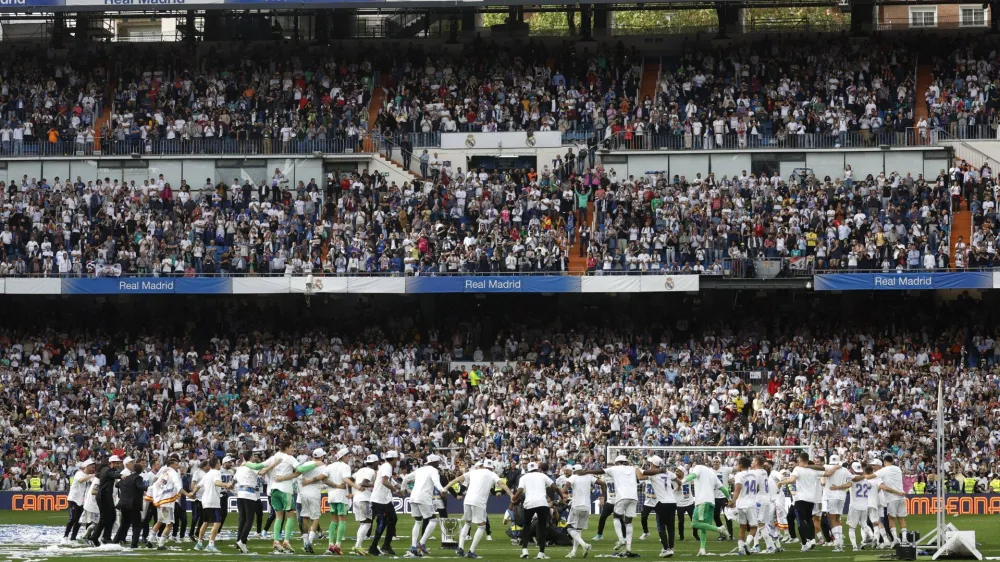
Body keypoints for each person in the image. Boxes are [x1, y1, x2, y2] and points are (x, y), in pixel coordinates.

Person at [582, 455, 647, 557]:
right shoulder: (633, 468)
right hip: (634, 497)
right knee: (628, 522)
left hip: (621, 497)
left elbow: (599, 471)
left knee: (616, 517)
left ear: (617, 462)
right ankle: (628, 548)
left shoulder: (614, 468)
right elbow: (644, 475)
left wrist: (586, 472)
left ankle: (621, 539)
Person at [446, 459, 513, 559]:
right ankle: (471, 551)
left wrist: (445, 487)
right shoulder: (492, 474)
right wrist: (511, 494)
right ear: (492, 468)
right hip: (479, 502)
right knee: (482, 526)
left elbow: (457, 479)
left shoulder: (474, 472)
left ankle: (460, 548)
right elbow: (502, 484)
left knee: (467, 523)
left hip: (467, 500)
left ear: (483, 465)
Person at [509, 461, 564, 560]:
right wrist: (561, 496)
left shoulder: (524, 477)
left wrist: (514, 498)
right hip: (542, 503)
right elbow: (554, 487)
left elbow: (520, 490)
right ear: (537, 468)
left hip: (529, 503)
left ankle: (525, 550)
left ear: (528, 469)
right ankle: (541, 553)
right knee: (542, 528)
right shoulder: (542, 476)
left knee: (526, 527)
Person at [777, 453, 826, 552]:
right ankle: (811, 539)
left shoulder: (798, 469)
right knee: (809, 520)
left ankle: (806, 541)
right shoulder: (814, 470)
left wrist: (781, 482)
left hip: (800, 499)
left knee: (800, 521)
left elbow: (792, 480)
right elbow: (825, 470)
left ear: (800, 459)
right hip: (811, 499)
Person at [682, 462, 731, 556]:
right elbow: (724, 489)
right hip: (711, 503)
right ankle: (702, 549)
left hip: (702, 502)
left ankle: (719, 529)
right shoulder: (713, 474)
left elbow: (692, 476)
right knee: (703, 526)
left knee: (695, 523)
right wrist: (729, 499)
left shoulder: (698, 467)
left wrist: (682, 481)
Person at [403, 454, 446, 557]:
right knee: (433, 520)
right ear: (433, 462)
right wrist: (442, 490)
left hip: (413, 497)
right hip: (424, 498)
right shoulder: (433, 470)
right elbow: (436, 481)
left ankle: (413, 547)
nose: (438, 464)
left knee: (418, 521)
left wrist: (402, 489)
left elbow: (406, 478)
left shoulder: (420, 470)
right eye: (437, 462)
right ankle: (421, 543)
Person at [321, 448, 357, 555]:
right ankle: (338, 545)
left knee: (333, 520)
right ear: (343, 456)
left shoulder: (330, 466)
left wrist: (334, 486)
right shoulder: (346, 467)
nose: (349, 457)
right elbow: (346, 480)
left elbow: (323, 479)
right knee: (342, 520)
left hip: (331, 496)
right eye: (348, 456)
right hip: (341, 496)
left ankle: (330, 544)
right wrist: (357, 487)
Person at [150, 455, 191, 551]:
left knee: (160, 521)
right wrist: (188, 494)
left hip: (160, 500)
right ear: (171, 464)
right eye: (176, 464)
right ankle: (160, 544)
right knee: (170, 523)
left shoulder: (164, 471)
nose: (178, 466)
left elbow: (155, 483)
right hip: (168, 501)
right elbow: (178, 487)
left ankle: (150, 541)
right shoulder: (173, 473)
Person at [193, 457, 234, 553]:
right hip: (213, 500)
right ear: (216, 464)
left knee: (206, 522)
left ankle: (199, 543)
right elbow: (217, 482)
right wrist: (226, 484)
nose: (220, 465)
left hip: (205, 500)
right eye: (219, 463)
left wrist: (193, 493)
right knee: (217, 523)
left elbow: (198, 486)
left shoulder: (207, 474)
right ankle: (211, 544)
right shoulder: (216, 473)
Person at [642, 456, 680, 558]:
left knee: (661, 526)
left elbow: (640, 476)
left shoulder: (653, 475)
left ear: (653, 465)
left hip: (662, 502)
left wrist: (637, 468)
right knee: (671, 527)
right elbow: (679, 481)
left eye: (650, 464)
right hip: (672, 502)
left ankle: (666, 549)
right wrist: (678, 488)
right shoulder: (668, 473)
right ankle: (671, 548)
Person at [560, 465, 600, 559]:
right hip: (586, 507)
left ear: (574, 471)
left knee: (570, 528)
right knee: (578, 530)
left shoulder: (573, 477)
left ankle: (585, 545)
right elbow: (602, 483)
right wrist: (603, 497)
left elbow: (565, 487)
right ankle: (573, 552)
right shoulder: (589, 477)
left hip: (576, 506)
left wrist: (560, 495)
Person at [295, 448, 329, 554]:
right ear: (321, 456)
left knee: (305, 517)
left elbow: (298, 476)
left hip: (303, 494)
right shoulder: (322, 466)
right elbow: (323, 476)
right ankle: (309, 541)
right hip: (314, 494)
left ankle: (305, 541)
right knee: (315, 518)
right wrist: (312, 480)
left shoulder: (306, 464)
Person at [369, 450, 401, 556]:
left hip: (384, 500)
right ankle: (373, 547)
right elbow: (384, 481)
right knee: (382, 523)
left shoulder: (385, 466)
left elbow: (390, 480)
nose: (397, 461)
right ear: (394, 459)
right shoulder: (387, 467)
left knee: (393, 519)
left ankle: (386, 545)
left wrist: (399, 487)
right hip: (379, 500)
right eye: (397, 459)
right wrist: (396, 490)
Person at [113, 460, 148, 548]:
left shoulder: (127, 477)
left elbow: (117, 485)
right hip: (133, 504)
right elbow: (141, 487)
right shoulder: (138, 478)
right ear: (140, 471)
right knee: (136, 524)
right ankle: (134, 543)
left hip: (123, 504)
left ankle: (115, 541)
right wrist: (152, 487)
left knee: (124, 524)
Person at [821, 455, 853, 552]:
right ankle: (840, 542)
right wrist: (839, 487)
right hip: (842, 497)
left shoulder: (827, 467)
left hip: (831, 496)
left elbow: (826, 475)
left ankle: (838, 544)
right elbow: (850, 483)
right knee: (838, 519)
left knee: (832, 520)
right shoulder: (844, 470)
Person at [349, 455, 379, 555]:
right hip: (364, 499)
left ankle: (358, 546)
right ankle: (357, 546)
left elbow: (350, 480)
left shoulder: (360, 470)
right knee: (367, 524)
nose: (378, 464)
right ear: (374, 463)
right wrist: (376, 485)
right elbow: (363, 483)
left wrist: (351, 491)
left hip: (357, 499)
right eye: (377, 463)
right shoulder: (370, 471)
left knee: (363, 524)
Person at [90, 455, 124, 546]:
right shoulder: (108, 470)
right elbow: (114, 475)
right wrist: (121, 476)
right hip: (104, 496)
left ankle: (106, 537)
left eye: (119, 463)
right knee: (105, 518)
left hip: (105, 496)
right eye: (117, 463)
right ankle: (95, 537)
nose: (118, 465)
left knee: (111, 517)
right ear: (111, 463)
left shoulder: (105, 470)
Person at [876, 455, 908, 545]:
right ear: (893, 461)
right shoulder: (898, 469)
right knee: (901, 519)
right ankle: (904, 539)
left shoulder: (883, 470)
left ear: (884, 461)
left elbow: (872, 476)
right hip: (901, 497)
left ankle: (895, 539)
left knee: (891, 519)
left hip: (891, 498)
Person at [234, 452, 261, 553]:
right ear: (250, 457)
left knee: (242, 519)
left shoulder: (240, 467)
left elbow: (234, 480)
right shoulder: (252, 466)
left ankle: (238, 541)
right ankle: (242, 541)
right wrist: (273, 464)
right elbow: (262, 472)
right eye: (254, 456)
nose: (255, 457)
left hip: (240, 493)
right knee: (249, 520)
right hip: (249, 494)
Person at [730, 457, 758, 556]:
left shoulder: (739, 475)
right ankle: (747, 543)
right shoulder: (754, 475)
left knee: (742, 527)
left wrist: (733, 501)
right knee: (754, 527)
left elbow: (737, 489)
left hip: (741, 504)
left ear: (741, 466)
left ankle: (741, 549)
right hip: (751, 504)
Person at [64, 459, 96, 543]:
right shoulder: (79, 473)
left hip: (82, 501)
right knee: (73, 518)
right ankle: (65, 536)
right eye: (91, 467)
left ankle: (73, 537)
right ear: (86, 466)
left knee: (79, 521)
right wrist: (92, 475)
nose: (92, 469)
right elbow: (81, 480)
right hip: (73, 499)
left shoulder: (89, 475)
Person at [711, 457, 734, 541]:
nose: (716, 463)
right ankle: (722, 533)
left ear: (720, 463)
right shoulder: (710, 471)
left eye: (717, 462)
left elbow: (735, 470)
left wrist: (732, 478)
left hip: (724, 496)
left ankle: (731, 534)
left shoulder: (725, 469)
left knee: (727, 516)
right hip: (714, 497)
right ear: (712, 463)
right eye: (714, 462)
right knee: (715, 516)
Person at [675, 466, 698, 543]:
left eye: (678, 471)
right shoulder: (673, 480)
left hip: (689, 503)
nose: (676, 472)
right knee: (680, 521)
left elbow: (696, 477)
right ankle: (681, 536)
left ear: (682, 472)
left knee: (694, 520)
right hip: (679, 504)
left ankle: (695, 534)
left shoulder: (688, 478)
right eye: (676, 470)